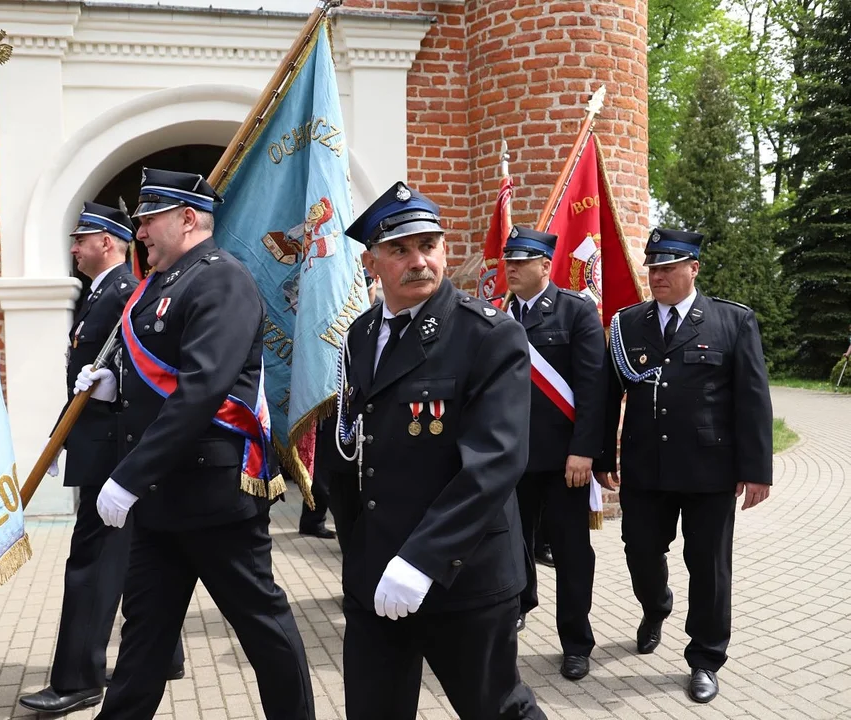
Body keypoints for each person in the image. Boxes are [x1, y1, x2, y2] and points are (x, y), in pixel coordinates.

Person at [76, 169, 315, 720]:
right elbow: (162, 376)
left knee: (262, 627)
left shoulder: (220, 279)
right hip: (162, 499)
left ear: (187, 219)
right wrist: (116, 389)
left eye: (148, 219)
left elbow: (201, 389)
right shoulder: (160, 282)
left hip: (212, 496)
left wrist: (129, 476)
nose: (139, 233)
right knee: (143, 637)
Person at [320, 181, 545, 720]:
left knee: (497, 709)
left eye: (429, 245)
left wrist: (421, 560)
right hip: (375, 569)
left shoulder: (488, 335)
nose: (419, 261)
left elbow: (494, 463)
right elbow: (352, 440)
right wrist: (356, 545)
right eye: (400, 249)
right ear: (373, 260)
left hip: (460, 574)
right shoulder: (360, 334)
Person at [19, 203, 185, 715]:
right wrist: (58, 440)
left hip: (115, 455)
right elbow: (87, 380)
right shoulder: (105, 295)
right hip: (98, 448)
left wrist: (113, 393)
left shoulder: (124, 294)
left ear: (107, 244)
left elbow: (141, 371)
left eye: (80, 239)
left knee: (90, 566)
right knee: (136, 561)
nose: (72, 248)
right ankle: (161, 656)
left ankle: (78, 678)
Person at [595, 227, 773, 704]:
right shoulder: (627, 325)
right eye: (653, 268)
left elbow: (753, 401)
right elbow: (607, 395)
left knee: (710, 567)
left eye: (669, 267)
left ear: (693, 268)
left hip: (708, 471)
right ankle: (656, 607)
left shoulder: (731, 322)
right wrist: (599, 454)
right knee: (639, 552)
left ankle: (705, 658)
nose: (658, 276)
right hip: (644, 468)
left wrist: (757, 469)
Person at [502, 226, 606, 680]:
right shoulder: (496, 316)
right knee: (510, 545)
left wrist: (584, 451)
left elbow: (592, 387)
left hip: (565, 462)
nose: (512, 268)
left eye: (521, 261)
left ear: (546, 266)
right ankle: (517, 609)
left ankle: (576, 641)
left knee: (571, 552)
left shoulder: (576, 312)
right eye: (509, 260)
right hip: (510, 459)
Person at [298, 269, 379, 540]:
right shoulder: (344, 314)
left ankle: (319, 516)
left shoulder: (375, 317)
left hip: (358, 405)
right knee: (327, 465)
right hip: (335, 400)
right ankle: (313, 517)